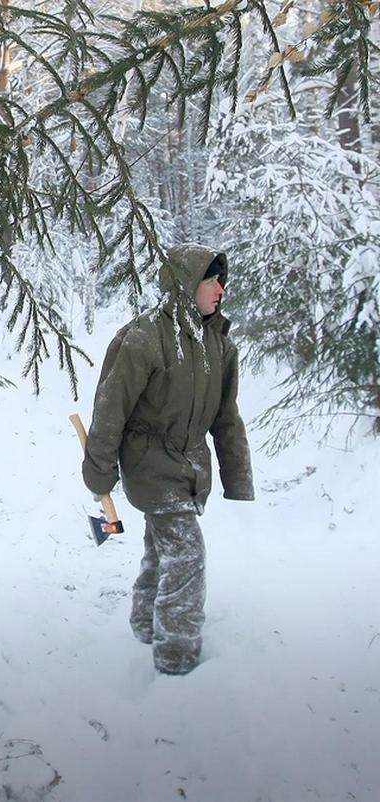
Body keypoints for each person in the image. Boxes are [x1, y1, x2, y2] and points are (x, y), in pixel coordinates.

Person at [81, 243, 254, 675]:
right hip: (149, 463)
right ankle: (176, 656)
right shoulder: (144, 337)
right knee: (187, 554)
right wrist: (99, 470)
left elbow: (226, 416)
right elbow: (110, 407)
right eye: (210, 280)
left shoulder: (219, 343)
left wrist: (238, 478)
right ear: (185, 285)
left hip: (189, 465)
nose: (219, 288)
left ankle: (145, 623)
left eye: (221, 279)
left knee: (163, 548)